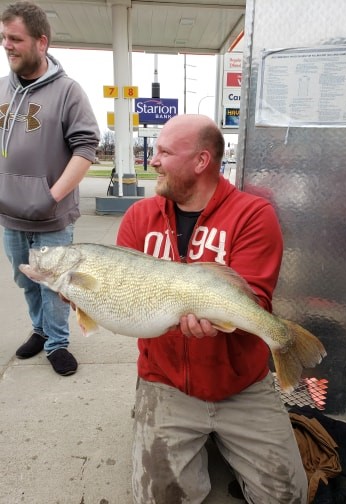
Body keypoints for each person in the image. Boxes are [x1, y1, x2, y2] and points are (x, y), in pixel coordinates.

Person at [116, 114, 308, 503]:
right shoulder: (139, 217)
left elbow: (255, 299)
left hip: (242, 384)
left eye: (165, 152)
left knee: (287, 496)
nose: (153, 160)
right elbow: (123, 297)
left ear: (201, 161)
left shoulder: (253, 215)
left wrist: (244, 326)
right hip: (165, 381)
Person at [0, 1, 100, 376]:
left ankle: (58, 343)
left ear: (41, 42)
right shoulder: (2, 91)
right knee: (24, 280)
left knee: (55, 285)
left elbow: (86, 149)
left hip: (51, 216)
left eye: (15, 38)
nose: (7, 45)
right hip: (9, 213)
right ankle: (40, 331)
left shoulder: (68, 92)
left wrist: (50, 197)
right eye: (3, 38)